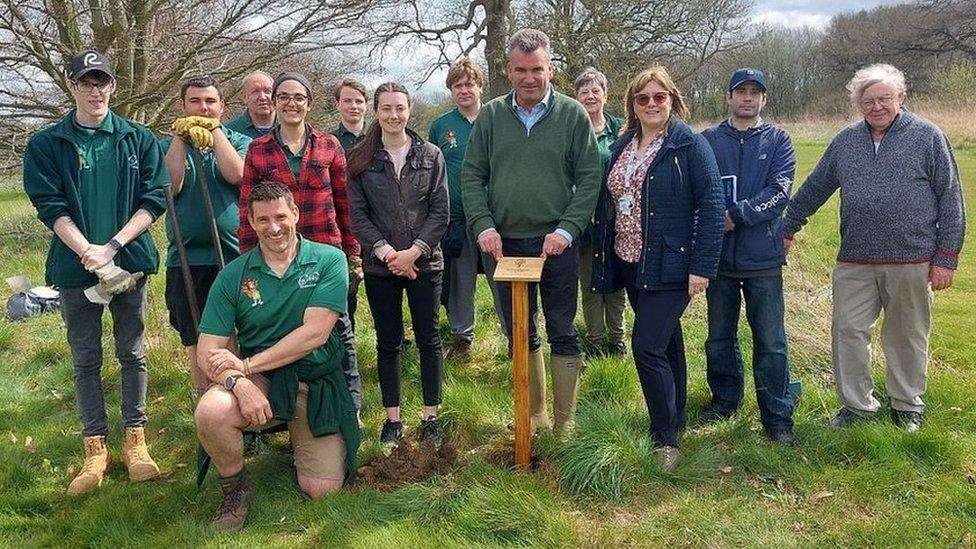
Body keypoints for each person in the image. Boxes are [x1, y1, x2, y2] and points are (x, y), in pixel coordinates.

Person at [783, 63, 965, 432]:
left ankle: (907, 407)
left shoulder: (928, 136)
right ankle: (856, 407)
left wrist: (946, 257)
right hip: (855, 259)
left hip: (912, 259)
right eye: (868, 101)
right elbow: (816, 188)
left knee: (906, 335)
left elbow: (951, 199)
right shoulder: (846, 141)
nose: (877, 106)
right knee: (847, 331)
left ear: (901, 98)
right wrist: (787, 228)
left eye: (884, 98)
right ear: (859, 104)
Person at [22, 50, 167, 494]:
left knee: (133, 352)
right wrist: (88, 251)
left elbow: (154, 198)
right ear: (72, 87)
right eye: (85, 82)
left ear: (113, 86)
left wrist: (114, 247)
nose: (94, 90)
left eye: (101, 81)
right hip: (75, 264)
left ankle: (136, 440)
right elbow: (50, 206)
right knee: (85, 358)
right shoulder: (47, 144)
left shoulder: (137, 138)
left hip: (128, 260)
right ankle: (95, 449)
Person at [193, 181, 360, 531]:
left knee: (321, 490)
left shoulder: (330, 260)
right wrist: (239, 382)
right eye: (263, 219)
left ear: (296, 215)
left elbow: (314, 334)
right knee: (211, 410)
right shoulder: (232, 276)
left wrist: (247, 364)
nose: (274, 228)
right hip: (262, 382)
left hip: (313, 380)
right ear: (251, 223)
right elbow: (208, 351)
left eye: (281, 216)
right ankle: (235, 488)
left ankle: (303, 437)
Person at [462, 29, 602, 436]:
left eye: (537, 69)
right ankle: (534, 414)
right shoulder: (490, 116)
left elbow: (590, 178)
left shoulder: (573, 114)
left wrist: (567, 229)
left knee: (562, 326)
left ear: (550, 69)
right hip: (502, 246)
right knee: (520, 329)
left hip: (555, 244)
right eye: (521, 70)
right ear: (508, 71)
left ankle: (565, 423)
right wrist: (483, 225)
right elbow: (472, 175)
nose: (529, 78)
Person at [591, 67, 724, 469]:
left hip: (672, 265)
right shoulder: (622, 146)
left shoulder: (689, 145)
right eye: (642, 98)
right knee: (666, 343)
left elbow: (713, 206)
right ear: (632, 105)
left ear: (672, 100)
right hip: (630, 262)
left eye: (659, 97)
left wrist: (701, 267)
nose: (651, 104)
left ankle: (664, 438)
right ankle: (677, 416)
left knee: (645, 346)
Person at [238, 72, 364, 414]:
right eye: (284, 97)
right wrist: (248, 264)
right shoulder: (258, 150)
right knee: (281, 332)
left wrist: (352, 252)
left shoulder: (329, 146)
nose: (291, 104)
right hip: (278, 259)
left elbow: (344, 204)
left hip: (326, 255)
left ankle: (349, 409)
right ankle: (281, 412)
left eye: (299, 97)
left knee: (339, 331)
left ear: (309, 104)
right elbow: (248, 210)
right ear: (275, 103)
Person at [346, 82, 450, 448]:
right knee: (388, 342)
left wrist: (414, 253)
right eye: (386, 108)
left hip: (425, 264)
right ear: (376, 111)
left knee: (429, 339)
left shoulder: (431, 155)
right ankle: (392, 420)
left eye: (400, 108)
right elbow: (358, 217)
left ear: (409, 111)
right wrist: (390, 254)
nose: (393, 115)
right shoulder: (360, 159)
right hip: (381, 267)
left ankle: (431, 417)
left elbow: (440, 212)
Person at [699, 68, 797, 445]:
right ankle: (725, 401)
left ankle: (777, 416)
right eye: (741, 91)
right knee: (718, 338)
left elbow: (779, 192)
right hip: (718, 261)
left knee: (771, 340)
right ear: (728, 97)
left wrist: (735, 216)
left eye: (755, 92)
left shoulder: (779, 141)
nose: (748, 98)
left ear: (764, 99)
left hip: (763, 261)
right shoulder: (707, 140)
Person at [163, 76, 251, 395]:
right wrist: (179, 138)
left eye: (210, 102)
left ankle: (241, 399)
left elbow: (238, 174)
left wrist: (214, 133)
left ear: (222, 106)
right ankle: (206, 402)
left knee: (236, 332)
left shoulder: (237, 139)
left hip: (234, 256)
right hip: (187, 259)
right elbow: (171, 185)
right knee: (197, 337)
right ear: (183, 106)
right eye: (195, 102)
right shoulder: (170, 144)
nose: (203, 108)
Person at [429, 57, 507, 359]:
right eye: (458, 85)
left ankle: (512, 332)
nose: (464, 90)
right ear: (451, 90)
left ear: (480, 86)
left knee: (500, 275)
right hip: (457, 217)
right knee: (459, 279)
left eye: (469, 84)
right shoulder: (441, 126)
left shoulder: (499, 118)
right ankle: (462, 336)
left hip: (496, 216)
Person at [573, 67, 627, 357]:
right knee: (590, 283)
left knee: (616, 283)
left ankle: (617, 340)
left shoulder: (621, 129)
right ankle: (594, 340)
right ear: (577, 98)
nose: (590, 96)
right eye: (584, 92)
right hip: (583, 221)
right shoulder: (571, 129)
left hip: (617, 219)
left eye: (596, 91)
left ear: (605, 95)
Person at [225, 71, 275, 139]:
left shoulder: (290, 127)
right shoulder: (230, 132)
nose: (262, 97)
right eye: (255, 91)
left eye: (268, 91)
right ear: (245, 98)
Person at [331, 78, 368, 151]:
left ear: (366, 105)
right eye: (347, 101)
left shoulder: (379, 138)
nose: (353, 106)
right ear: (337, 105)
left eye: (359, 101)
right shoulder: (327, 141)